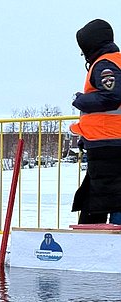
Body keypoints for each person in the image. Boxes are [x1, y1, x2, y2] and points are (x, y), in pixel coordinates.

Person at [70, 19, 121, 225]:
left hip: (109, 143)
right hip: (107, 142)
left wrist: (80, 100)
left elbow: (112, 96)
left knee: (105, 200)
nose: (83, 54)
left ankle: (95, 246)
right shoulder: (114, 61)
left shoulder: (106, 64)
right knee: (100, 198)